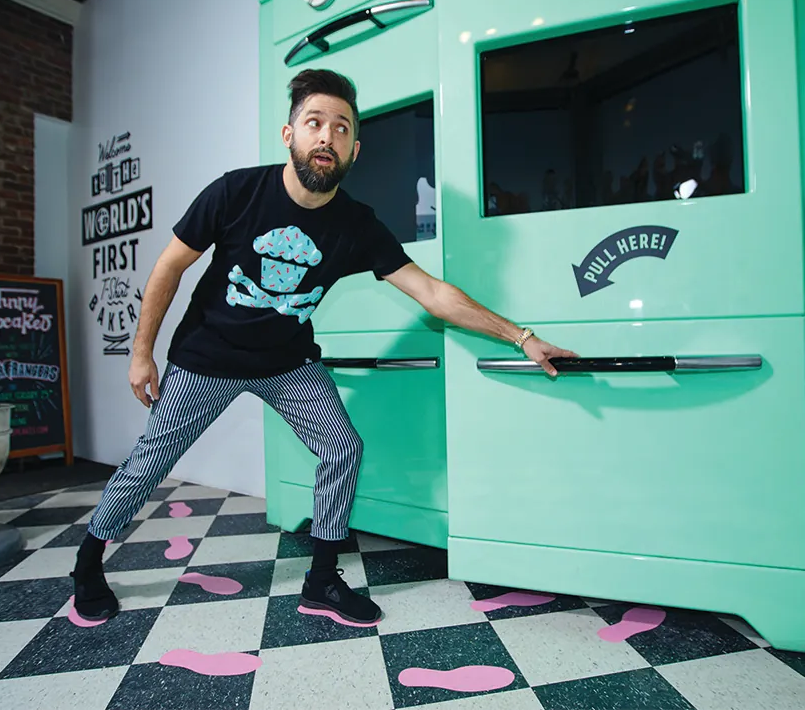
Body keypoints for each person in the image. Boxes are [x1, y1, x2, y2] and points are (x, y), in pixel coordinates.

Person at [70, 69, 577, 625]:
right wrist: (141, 351)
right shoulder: (235, 192)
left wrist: (522, 338)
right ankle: (89, 563)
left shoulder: (356, 225)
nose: (326, 136)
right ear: (289, 134)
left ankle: (320, 581)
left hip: (287, 362)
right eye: (314, 123)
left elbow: (432, 293)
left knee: (342, 447)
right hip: (204, 360)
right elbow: (170, 266)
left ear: (353, 148)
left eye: (340, 129)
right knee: (151, 461)